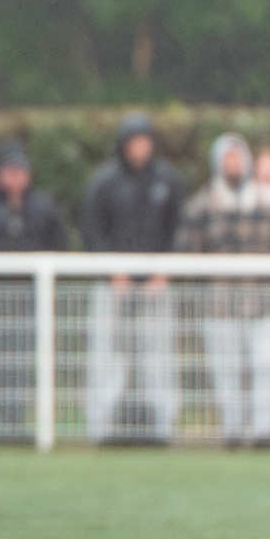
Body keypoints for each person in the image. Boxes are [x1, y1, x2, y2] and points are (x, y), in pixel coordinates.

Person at [175, 133, 270, 447]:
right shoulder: (201, 207)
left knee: (267, 366)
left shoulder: (268, 206)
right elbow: (190, 255)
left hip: (262, 303)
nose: (234, 164)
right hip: (220, 305)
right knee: (226, 371)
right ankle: (234, 430)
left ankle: (265, 431)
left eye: (238, 157)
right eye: (228, 158)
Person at [80, 114, 184, 444]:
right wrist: (113, 273)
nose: (140, 148)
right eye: (134, 142)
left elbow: (178, 231)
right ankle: (101, 427)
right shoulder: (104, 182)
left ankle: (163, 427)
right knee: (107, 357)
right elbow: (92, 231)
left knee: (158, 358)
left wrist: (164, 271)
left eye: (145, 141)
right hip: (114, 287)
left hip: (156, 288)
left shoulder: (168, 179)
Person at [0, 143, 67, 439]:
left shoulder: (43, 207)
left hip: (27, 298)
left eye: (20, 171)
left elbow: (57, 245)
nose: (14, 178)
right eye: (9, 171)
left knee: (21, 364)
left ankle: (16, 425)